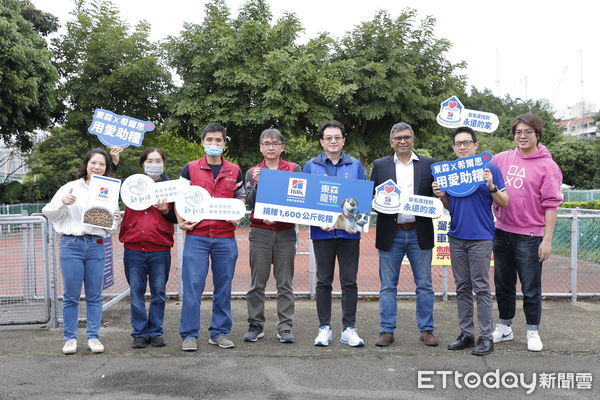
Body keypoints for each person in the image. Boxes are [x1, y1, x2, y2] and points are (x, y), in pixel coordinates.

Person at [432, 127, 508, 356]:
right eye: (458, 143)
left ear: (476, 145)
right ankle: (466, 333)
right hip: (456, 236)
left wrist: (491, 186)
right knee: (463, 287)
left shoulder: (490, 168)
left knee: (482, 288)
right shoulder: (449, 172)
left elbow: (504, 201)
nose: (462, 147)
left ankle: (486, 337)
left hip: (481, 237)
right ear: (454, 148)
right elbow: (450, 207)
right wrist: (442, 196)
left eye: (466, 142)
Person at [491, 114, 563, 352]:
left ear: (537, 134)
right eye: (518, 132)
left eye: (527, 132)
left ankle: (533, 330)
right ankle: (505, 326)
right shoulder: (502, 159)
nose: (522, 136)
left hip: (530, 236)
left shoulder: (548, 166)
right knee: (503, 284)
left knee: (531, 287)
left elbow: (551, 205)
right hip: (501, 232)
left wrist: (547, 240)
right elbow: (478, 172)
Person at [42, 148, 120, 355]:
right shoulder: (70, 187)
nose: (97, 167)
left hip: (96, 244)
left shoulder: (108, 190)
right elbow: (48, 211)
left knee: (95, 295)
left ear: (106, 168)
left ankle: (93, 336)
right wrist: (62, 202)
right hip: (71, 245)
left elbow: (110, 228)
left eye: (102, 164)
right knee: (71, 295)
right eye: (93, 163)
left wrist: (114, 217)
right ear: (86, 164)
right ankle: (70, 338)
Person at [177, 123, 246, 352]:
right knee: (193, 286)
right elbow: (180, 198)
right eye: (209, 140)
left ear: (225, 143)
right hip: (196, 236)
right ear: (202, 142)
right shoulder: (190, 168)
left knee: (223, 287)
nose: (214, 144)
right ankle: (189, 334)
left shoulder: (234, 170)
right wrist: (180, 220)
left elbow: (240, 197)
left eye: (218, 140)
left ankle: (219, 332)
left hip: (225, 237)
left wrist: (237, 214)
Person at [370, 122, 438, 347]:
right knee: (388, 286)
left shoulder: (428, 164)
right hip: (392, 232)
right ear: (391, 142)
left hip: (420, 232)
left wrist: (440, 196)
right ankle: (386, 330)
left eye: (406, 137)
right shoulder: (380, 165)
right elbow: (370, 198)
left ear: (413, 140)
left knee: (425, 285)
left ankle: (426, 329)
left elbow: (435, 198)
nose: (402, 141)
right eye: (398, 138)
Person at [303, 120, 367, 347]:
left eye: (337, 137)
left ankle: (349, 328)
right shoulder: (310, 165)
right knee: (324, 281)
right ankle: (325, 329)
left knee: (349, 281)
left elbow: (362, 199)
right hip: (322, 234)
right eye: (328, 137)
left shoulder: (355, 165)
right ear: (321, 141)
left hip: (349, 233)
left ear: (343, 140)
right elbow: (307, 200)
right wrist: (317, 220)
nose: (333, 141)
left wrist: (354, 222)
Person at [243, 129, 301, 344]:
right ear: (260, 147)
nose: (271, 147)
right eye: (266, 143)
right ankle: (255, 324)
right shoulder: (252, 172)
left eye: (275, 143)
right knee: (257, 282)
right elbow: (250, 202)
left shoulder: (294, 169)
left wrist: (278, 215)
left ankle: (285, 327)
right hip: (260, 232)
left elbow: (297, 198)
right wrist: (258, 183)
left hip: (285, 232)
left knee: (285, 283)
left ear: (282, 147)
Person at [119, 147, 177, 349]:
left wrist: (164, 211)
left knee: (159, 292)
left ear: (163, 163)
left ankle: (155, 331)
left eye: (157, 160)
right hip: (134, 246)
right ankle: (139, 332)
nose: (154, 164)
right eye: (149, 161)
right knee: (136, 292)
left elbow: (176, 217)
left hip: (159, 247)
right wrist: (114, 159)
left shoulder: (171, 188)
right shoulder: (131, 185)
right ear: (142, 164)